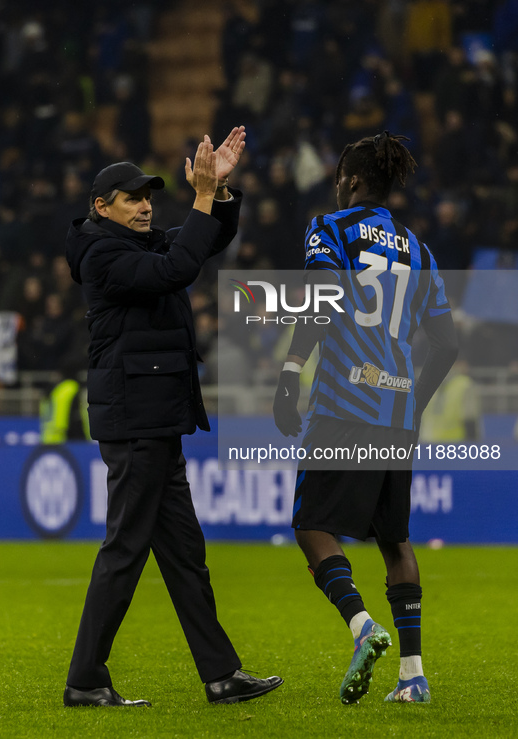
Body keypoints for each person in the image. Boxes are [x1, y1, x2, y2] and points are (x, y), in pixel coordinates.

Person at [63, 128, 283, 708]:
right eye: (132, 198)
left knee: (184, 553)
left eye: (148, 197)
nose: (144, 206)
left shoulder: (134, 244)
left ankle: (221, 675)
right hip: (136, 421)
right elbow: (180, 267)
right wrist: (203, 198)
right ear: (100, 207)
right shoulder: (104, 255)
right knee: (125, 549)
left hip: (154, 418)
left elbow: (202, 241)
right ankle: (85, 679)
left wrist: (221, 194)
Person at [273, 132, 458, 705]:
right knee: (395, 539)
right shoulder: (416, 247)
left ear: (351, 181)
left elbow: (324, 295)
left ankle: (361, 625)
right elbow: (446, 343)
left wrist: (289, 372)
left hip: (344, 403)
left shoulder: (330, 229)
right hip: (398, 410)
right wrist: (415, 403)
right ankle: (413, 676)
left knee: (310, 526)